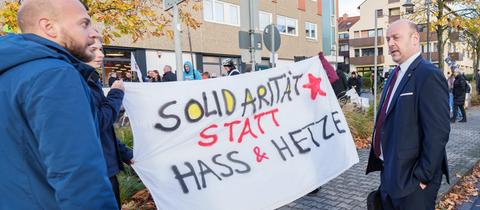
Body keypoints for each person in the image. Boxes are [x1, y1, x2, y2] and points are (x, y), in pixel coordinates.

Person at [0, 0, 118, 209]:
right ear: (49, 27)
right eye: (84, 24)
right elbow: (79, 175)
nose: (94, 33)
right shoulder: (55, 75)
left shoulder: (10, 73)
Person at [366, 19, 450, 210]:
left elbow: (438, 133)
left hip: (413, 182)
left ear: (414, 39)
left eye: (396, 37)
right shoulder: (393, 75)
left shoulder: (428, 74)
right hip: (390, 174)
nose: (390, 43)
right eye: (387, 39)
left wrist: (423, 177)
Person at [86, 37, 134, 207]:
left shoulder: (92, 81)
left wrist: (125, 154)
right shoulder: (80, 83)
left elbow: (104, 132)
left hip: (104, 168)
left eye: (101, 50)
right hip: (96, 172)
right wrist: (116, 94)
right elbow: (97, 122)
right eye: (93, 50)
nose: (100, 55)